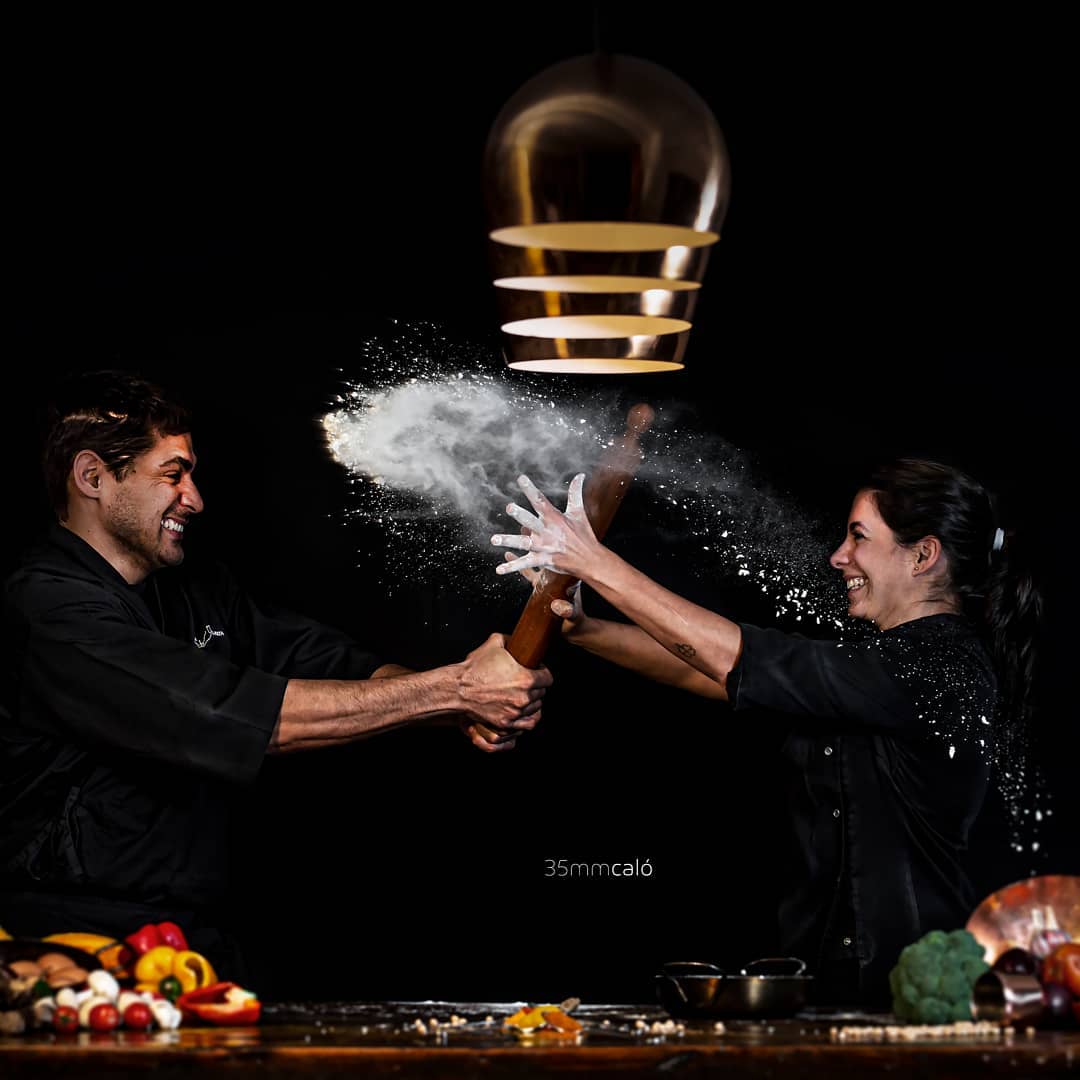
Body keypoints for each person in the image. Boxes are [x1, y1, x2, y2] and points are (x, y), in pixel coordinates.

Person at [0, 371, 551, 974]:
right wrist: (456, 689)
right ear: (92, 477)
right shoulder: (48, 610)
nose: (194, 499)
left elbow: (331, 665)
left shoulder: (195, 591)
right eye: (172, 475)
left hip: (192, 939)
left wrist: (464, 702)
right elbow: (227, 712)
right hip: (65, 945)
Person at [491, 462, 1041, 1006]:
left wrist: (593, 562)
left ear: (922, 555)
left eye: (859, 536)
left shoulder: (939, 665)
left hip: (906, 990)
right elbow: (709, 670)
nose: (839, 556)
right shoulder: (874, 663)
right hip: (825, 979)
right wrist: (586, 630)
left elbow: (734, 658)